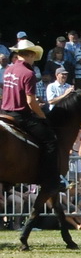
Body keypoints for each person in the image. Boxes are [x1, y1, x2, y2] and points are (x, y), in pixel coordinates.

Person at [1, 38, 58, 189]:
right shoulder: (28, 73)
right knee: (50, 140)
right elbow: (31, 101)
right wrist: (42, 116)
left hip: (5, 112)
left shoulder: (8, 69)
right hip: (21, 115)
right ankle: (50, 180)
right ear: (31, 55)